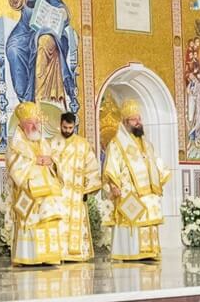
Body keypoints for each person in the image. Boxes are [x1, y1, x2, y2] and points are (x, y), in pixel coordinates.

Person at [103, 99, 169, 261]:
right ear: (125, 122)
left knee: (148, 217)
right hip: (128, 191)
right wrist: (113, 185)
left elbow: (155, 161)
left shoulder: (147, 144)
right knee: (131, 218)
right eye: (134, 119)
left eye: (139, 118)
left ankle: (149, 251)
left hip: (148, 192)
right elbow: (111, 166)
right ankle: (130, 252)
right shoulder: (117, 144)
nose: (138, 122)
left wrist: (161, 175)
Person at [5, 102, 64, 266]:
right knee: (32, 222)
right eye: (31, 122)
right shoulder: (15, 144)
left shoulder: (43, 142)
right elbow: (13, 165)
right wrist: (34, 160)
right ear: (21, 124)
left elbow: (55, 159)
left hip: (48, 192)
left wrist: (51, 161)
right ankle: (30, 257)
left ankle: (48, 256)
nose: (35, 125)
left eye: (37, 122)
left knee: (48, 220)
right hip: (28, 191)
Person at [53, 111, 101, 261]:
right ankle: (59, 253)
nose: (67, 131)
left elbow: (92, 167)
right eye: (65, 127)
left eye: (70, 128)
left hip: (76, 192)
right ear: (60, 125)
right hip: (58, 192)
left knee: (76, 222)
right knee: (59, 223)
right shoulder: (52, 143)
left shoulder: (83, 144)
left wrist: (88, 189)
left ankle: (78, 253)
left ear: (74, 126)